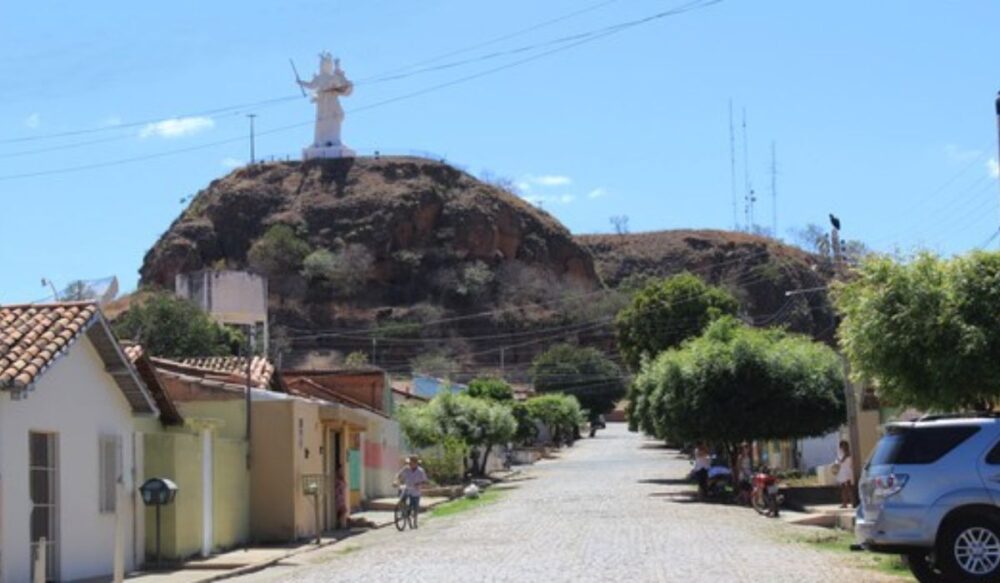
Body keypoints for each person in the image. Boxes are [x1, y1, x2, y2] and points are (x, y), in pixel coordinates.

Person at [395, 456, 428, 526]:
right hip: (407, 489)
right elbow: (398, 475)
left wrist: (419, 484)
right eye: (409, 463)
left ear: (416, 463)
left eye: (411, 463)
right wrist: (396, 481)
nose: (410, 464)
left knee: (415, 507)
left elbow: (425, 482)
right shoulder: (406, 469)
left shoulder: (420, 471)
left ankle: (415, 521)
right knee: (402, 497)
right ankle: (403, 510)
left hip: (416, 491)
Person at [836, 440, 855, 508]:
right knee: (844, 489)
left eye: (843, 446)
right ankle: (845, 503)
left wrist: (839, 459)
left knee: (849, 488)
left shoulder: (847, 453)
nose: (842, 447)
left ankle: (852, 502)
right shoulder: (842, 453)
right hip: (843, 472)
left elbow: (842, 461)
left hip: (846, 472)